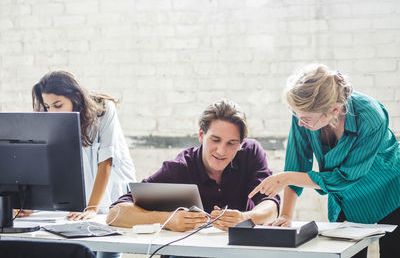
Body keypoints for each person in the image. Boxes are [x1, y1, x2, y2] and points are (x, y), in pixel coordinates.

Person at [249, 64, 400, 258]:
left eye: (306, 119)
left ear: (334, 110)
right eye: (297, 115)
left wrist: (286, 178)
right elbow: (296, 164)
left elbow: (345, 177)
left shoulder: (371, 116)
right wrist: (285, 215)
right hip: (348, 198)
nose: (300, 123)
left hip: (392, 191)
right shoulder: (303, 114)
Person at [106, 99, 280, 234]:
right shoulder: (179, 169)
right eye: (215, 140)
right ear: (201, 135)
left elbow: (271, 206)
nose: (221, 151)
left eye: (231, 143)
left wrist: (245, 218)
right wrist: (168, 220)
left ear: (241, 143)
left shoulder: (251, 154)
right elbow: (115, 213)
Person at [32, 71, 137, 221]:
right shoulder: (53, 117)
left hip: (111, 183)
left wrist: (92, 208)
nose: (52, 112)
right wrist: (33, 205)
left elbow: (106, 161)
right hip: (85, 191)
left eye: (58, 105)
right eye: (48, 106)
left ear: (76, 97)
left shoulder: (104, 109)